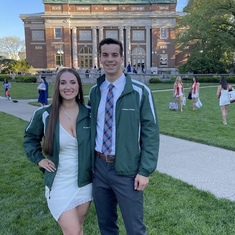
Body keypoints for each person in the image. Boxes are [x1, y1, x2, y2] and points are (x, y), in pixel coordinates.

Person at [88, 38, 159, 235]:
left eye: (114, 55)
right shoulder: (95, 92)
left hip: (128, 169)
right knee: (106, 226)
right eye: (105, 55)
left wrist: (145, 171)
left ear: (122, 58)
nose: (110, 59)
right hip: (99, 167)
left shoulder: (140, 91)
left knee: (135, 228)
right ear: (100, 58)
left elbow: (151, 133)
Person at [23, 68, 92, 235]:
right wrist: (39, 159)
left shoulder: (89, 113)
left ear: (79, 86)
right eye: (63, 82)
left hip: (85, 182)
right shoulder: (44, 114)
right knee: (73, 231)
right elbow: (30, 138)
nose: (68, 87)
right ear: (57, 87)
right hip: (59, 182)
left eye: (72, 82)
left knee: (79, 227)